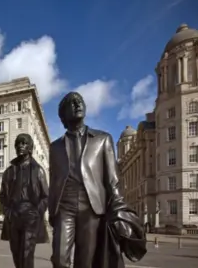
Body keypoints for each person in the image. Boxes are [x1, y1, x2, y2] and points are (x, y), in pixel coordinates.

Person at [48, 92, 147, 268]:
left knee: (86, 261)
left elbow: (112, 180)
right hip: (64, 206)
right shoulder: (55, 147)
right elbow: (53, 181)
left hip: (92, 206)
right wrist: (52, 213)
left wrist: (118, 209)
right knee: (59, 258)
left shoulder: (102, 139)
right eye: (72, 102)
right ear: (63, 114)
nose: (78, 104)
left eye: (80, 101)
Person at [0, 133, 49, 268]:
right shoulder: (9, 171)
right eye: (18, 143)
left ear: (30, 147)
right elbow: (3, 196)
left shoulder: (38, 170)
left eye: (24, 143)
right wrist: (7, 212)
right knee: (16, 252)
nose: (20, 146)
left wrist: (37, 211)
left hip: (30, 215)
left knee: (27, 252)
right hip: (14, 215)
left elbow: (46, 196)